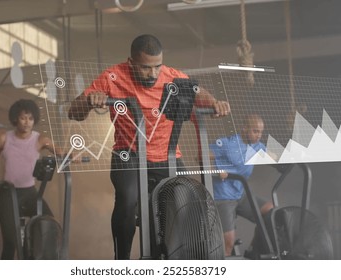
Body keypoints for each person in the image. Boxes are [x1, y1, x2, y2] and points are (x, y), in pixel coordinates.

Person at [68, 34, 230, 259]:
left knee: (188, 202)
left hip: (168, 156)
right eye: (145, 68)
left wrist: (213, 102)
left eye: (157, 67)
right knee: (128, 200)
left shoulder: (172, 77)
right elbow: (73, 112)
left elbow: (197, 92)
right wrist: (88, 101)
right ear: (131, 62)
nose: (153, 74)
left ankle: (175, 259)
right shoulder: (112, 77)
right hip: (129, 155)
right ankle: (122, 260)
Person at [0, 99, 60, 260]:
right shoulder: (4, 138)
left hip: (30, 194)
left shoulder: (40, 140)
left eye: (30, 119)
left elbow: (61, 152)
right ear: (15, 119)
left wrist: (73, 156)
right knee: (11, 242)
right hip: (8, 194)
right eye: (23, 118)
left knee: (48, 224)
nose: (27, 122)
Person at [210, 114, 273, 257]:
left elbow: (273, 156)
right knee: (228, 243)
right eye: (255, 131)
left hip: (241, 195)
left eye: (261, 132)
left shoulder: (257, 146)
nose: (258, 135)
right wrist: (217, 170)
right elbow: (200, 157)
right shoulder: (227, 144)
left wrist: (294, 157)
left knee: (270, 211)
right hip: (224, 197)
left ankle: (253, 250)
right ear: (244, 129)